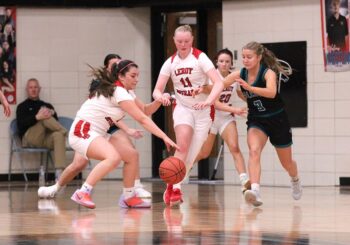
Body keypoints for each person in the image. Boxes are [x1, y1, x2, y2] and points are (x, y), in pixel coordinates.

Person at [38, 54, 152, 200]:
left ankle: (135, 188)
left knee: (131, 153)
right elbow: (106, 113)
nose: (118, 66)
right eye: (114, 65)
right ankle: (56, 187)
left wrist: (161, 100)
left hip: (110, 126)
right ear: (107, 68)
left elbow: (143, 110)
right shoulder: (101, 84)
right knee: (79, 163)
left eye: (120, 63)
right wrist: (127, 128)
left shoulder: (127, 88)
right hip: (96, 125)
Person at [70, 60, 179, 209]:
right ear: (121, 77)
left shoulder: (126, 92)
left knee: (131, 156)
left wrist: (159, 100)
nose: (137, 79)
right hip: (83, 130)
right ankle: (83, 192)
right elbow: (142, 119)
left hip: (98, 132)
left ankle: (129, 197)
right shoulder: (118, 91)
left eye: (138, 76)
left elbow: (145, 111)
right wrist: (164, 136)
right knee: (113, 158)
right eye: (133, 76)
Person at [223, 41, 302, 207]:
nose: (245, 60)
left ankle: (295, 179)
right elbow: (219, 85)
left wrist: (250, 89)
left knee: (287, 163)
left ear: (258, 57)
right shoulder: (239, 74)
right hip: (257, 120)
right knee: (253, 150)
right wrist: (201, 89)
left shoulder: (268, 73)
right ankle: (255, 191)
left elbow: (271, 92)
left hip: (277, 119)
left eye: (249, 57)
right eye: (243, 57)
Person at [153, 25, 224, 207]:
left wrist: (208, 101)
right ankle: (176, 188)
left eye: (186, 41)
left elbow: (218, 83)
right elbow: (156, 90)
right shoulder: (170, 62)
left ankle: (172, 184)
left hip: (203, 111)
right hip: (183, 107)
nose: (183, 44)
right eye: (179, 41)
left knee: (191, 157)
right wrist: (161, 97)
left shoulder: (200, 58)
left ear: (192, 40)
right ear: (174, 41)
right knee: (182, 145)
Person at [195, 48, 250, 193]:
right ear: (216, 63)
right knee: (204, 153)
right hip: (211, 117)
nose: (224, 64)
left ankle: (244, 181)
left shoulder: (234, 78)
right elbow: (215, 103)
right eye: (221, 61)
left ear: (231, 63)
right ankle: (184, 169)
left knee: (234, 147)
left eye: (227, 61)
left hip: (226, 118)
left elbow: (240, 94)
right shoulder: (211, 78)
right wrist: (236, 110)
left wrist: (253, 98)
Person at [16, 78, 68, 179]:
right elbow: (21, 125)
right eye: (31, 87)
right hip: (29, 138)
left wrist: (52, 113)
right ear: (27, 90)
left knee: (58, 135)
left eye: (35, 87)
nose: (33, 89)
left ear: (39, 89)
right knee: (44, 116)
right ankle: (67, 133)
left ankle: (59, 173)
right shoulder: (22, 106)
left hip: (44, 138)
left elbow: (55, 123)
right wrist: (37, 117)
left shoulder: (47, 105)